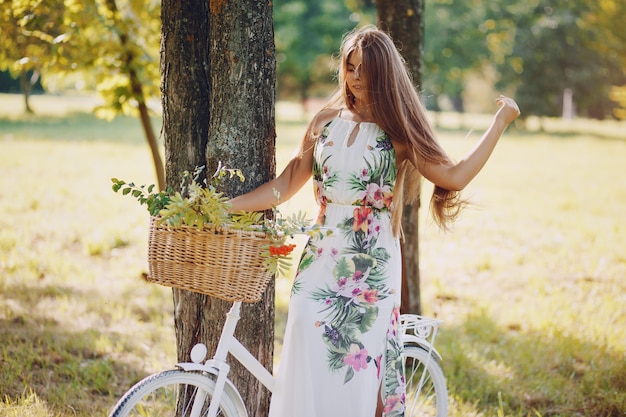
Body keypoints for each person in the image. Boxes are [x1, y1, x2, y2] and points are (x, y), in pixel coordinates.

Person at [229, 25, 520, 417]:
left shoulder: (399, 132)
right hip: (322, 253)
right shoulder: (325, 121)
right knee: (303, 333)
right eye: (350, 67)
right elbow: (286, 183)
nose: (356, 78)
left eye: (365, 69)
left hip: (372, 265)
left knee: (357, 364)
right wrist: (231, 206)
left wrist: (500, 121)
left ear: (383, 73)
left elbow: (454, 176)